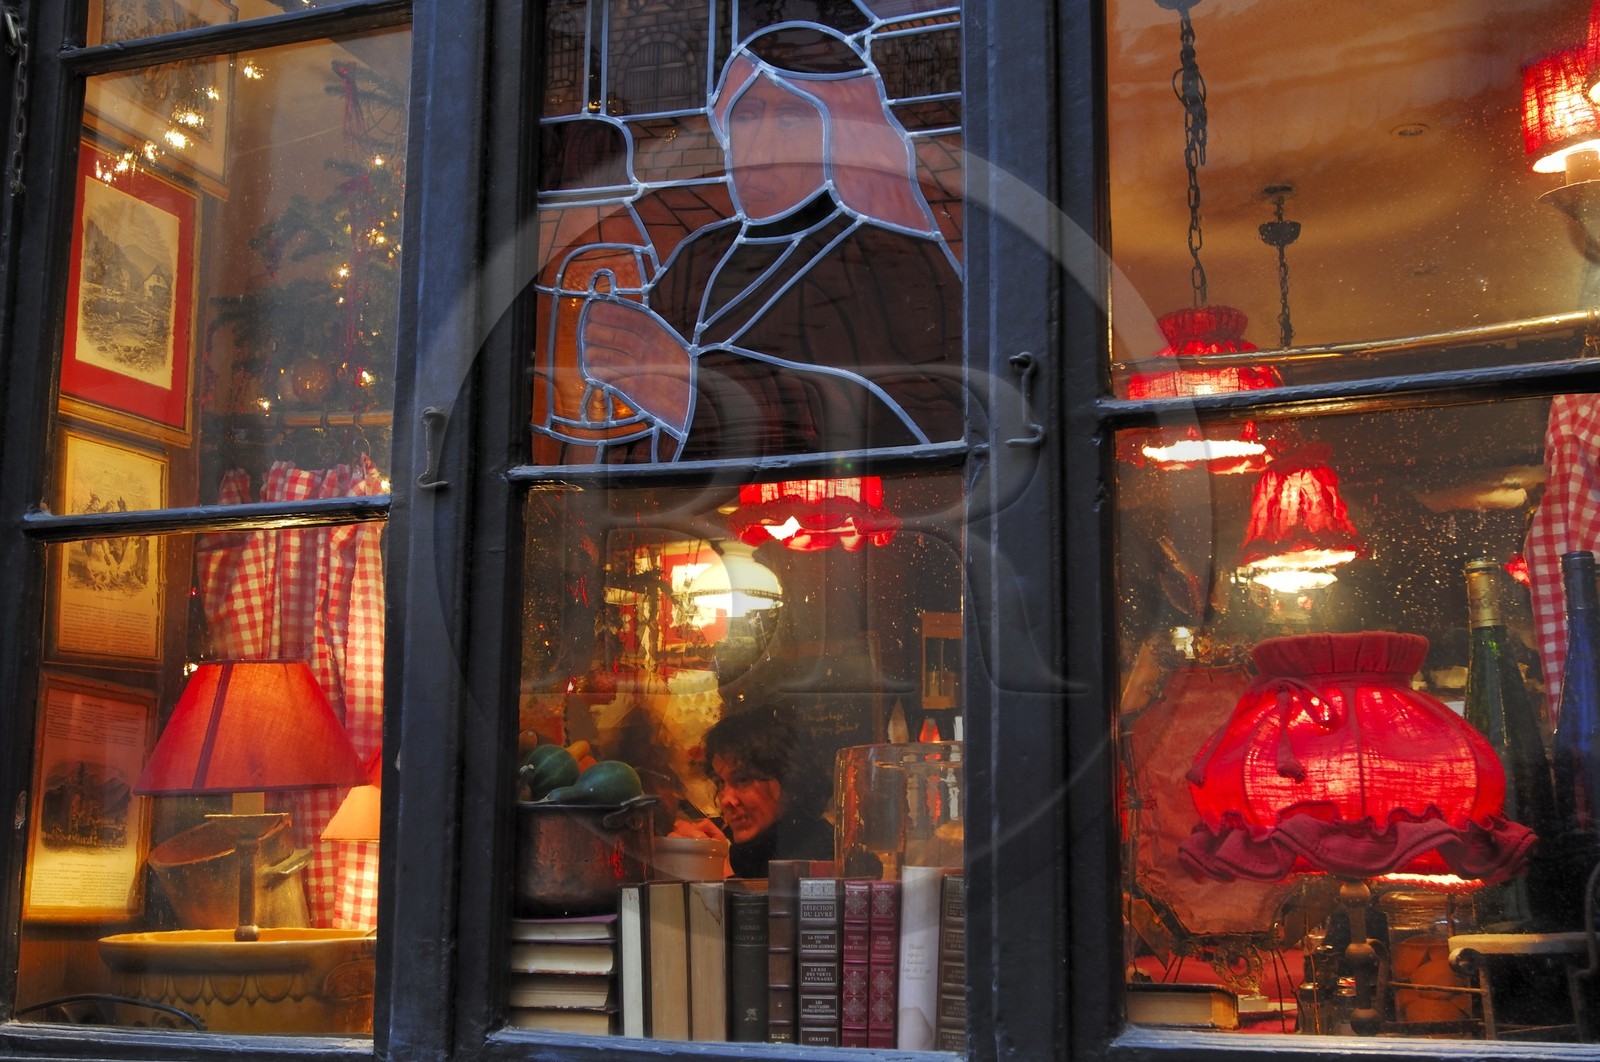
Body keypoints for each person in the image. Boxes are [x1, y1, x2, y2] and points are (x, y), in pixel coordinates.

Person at [575, 23, 964, 462]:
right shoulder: (698, 259)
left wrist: (692, 395)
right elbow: (640, 437)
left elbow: (939, 428)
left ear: (838, 135)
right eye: (745, 116)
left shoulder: (894, 262)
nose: (758, 146)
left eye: (789, 119)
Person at [672, 706, 834, 878]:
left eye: (743, 779)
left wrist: (726, 880)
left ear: (790, 782)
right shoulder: (740, 852)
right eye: (721, 782)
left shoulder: (824, 858)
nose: (726, 799)